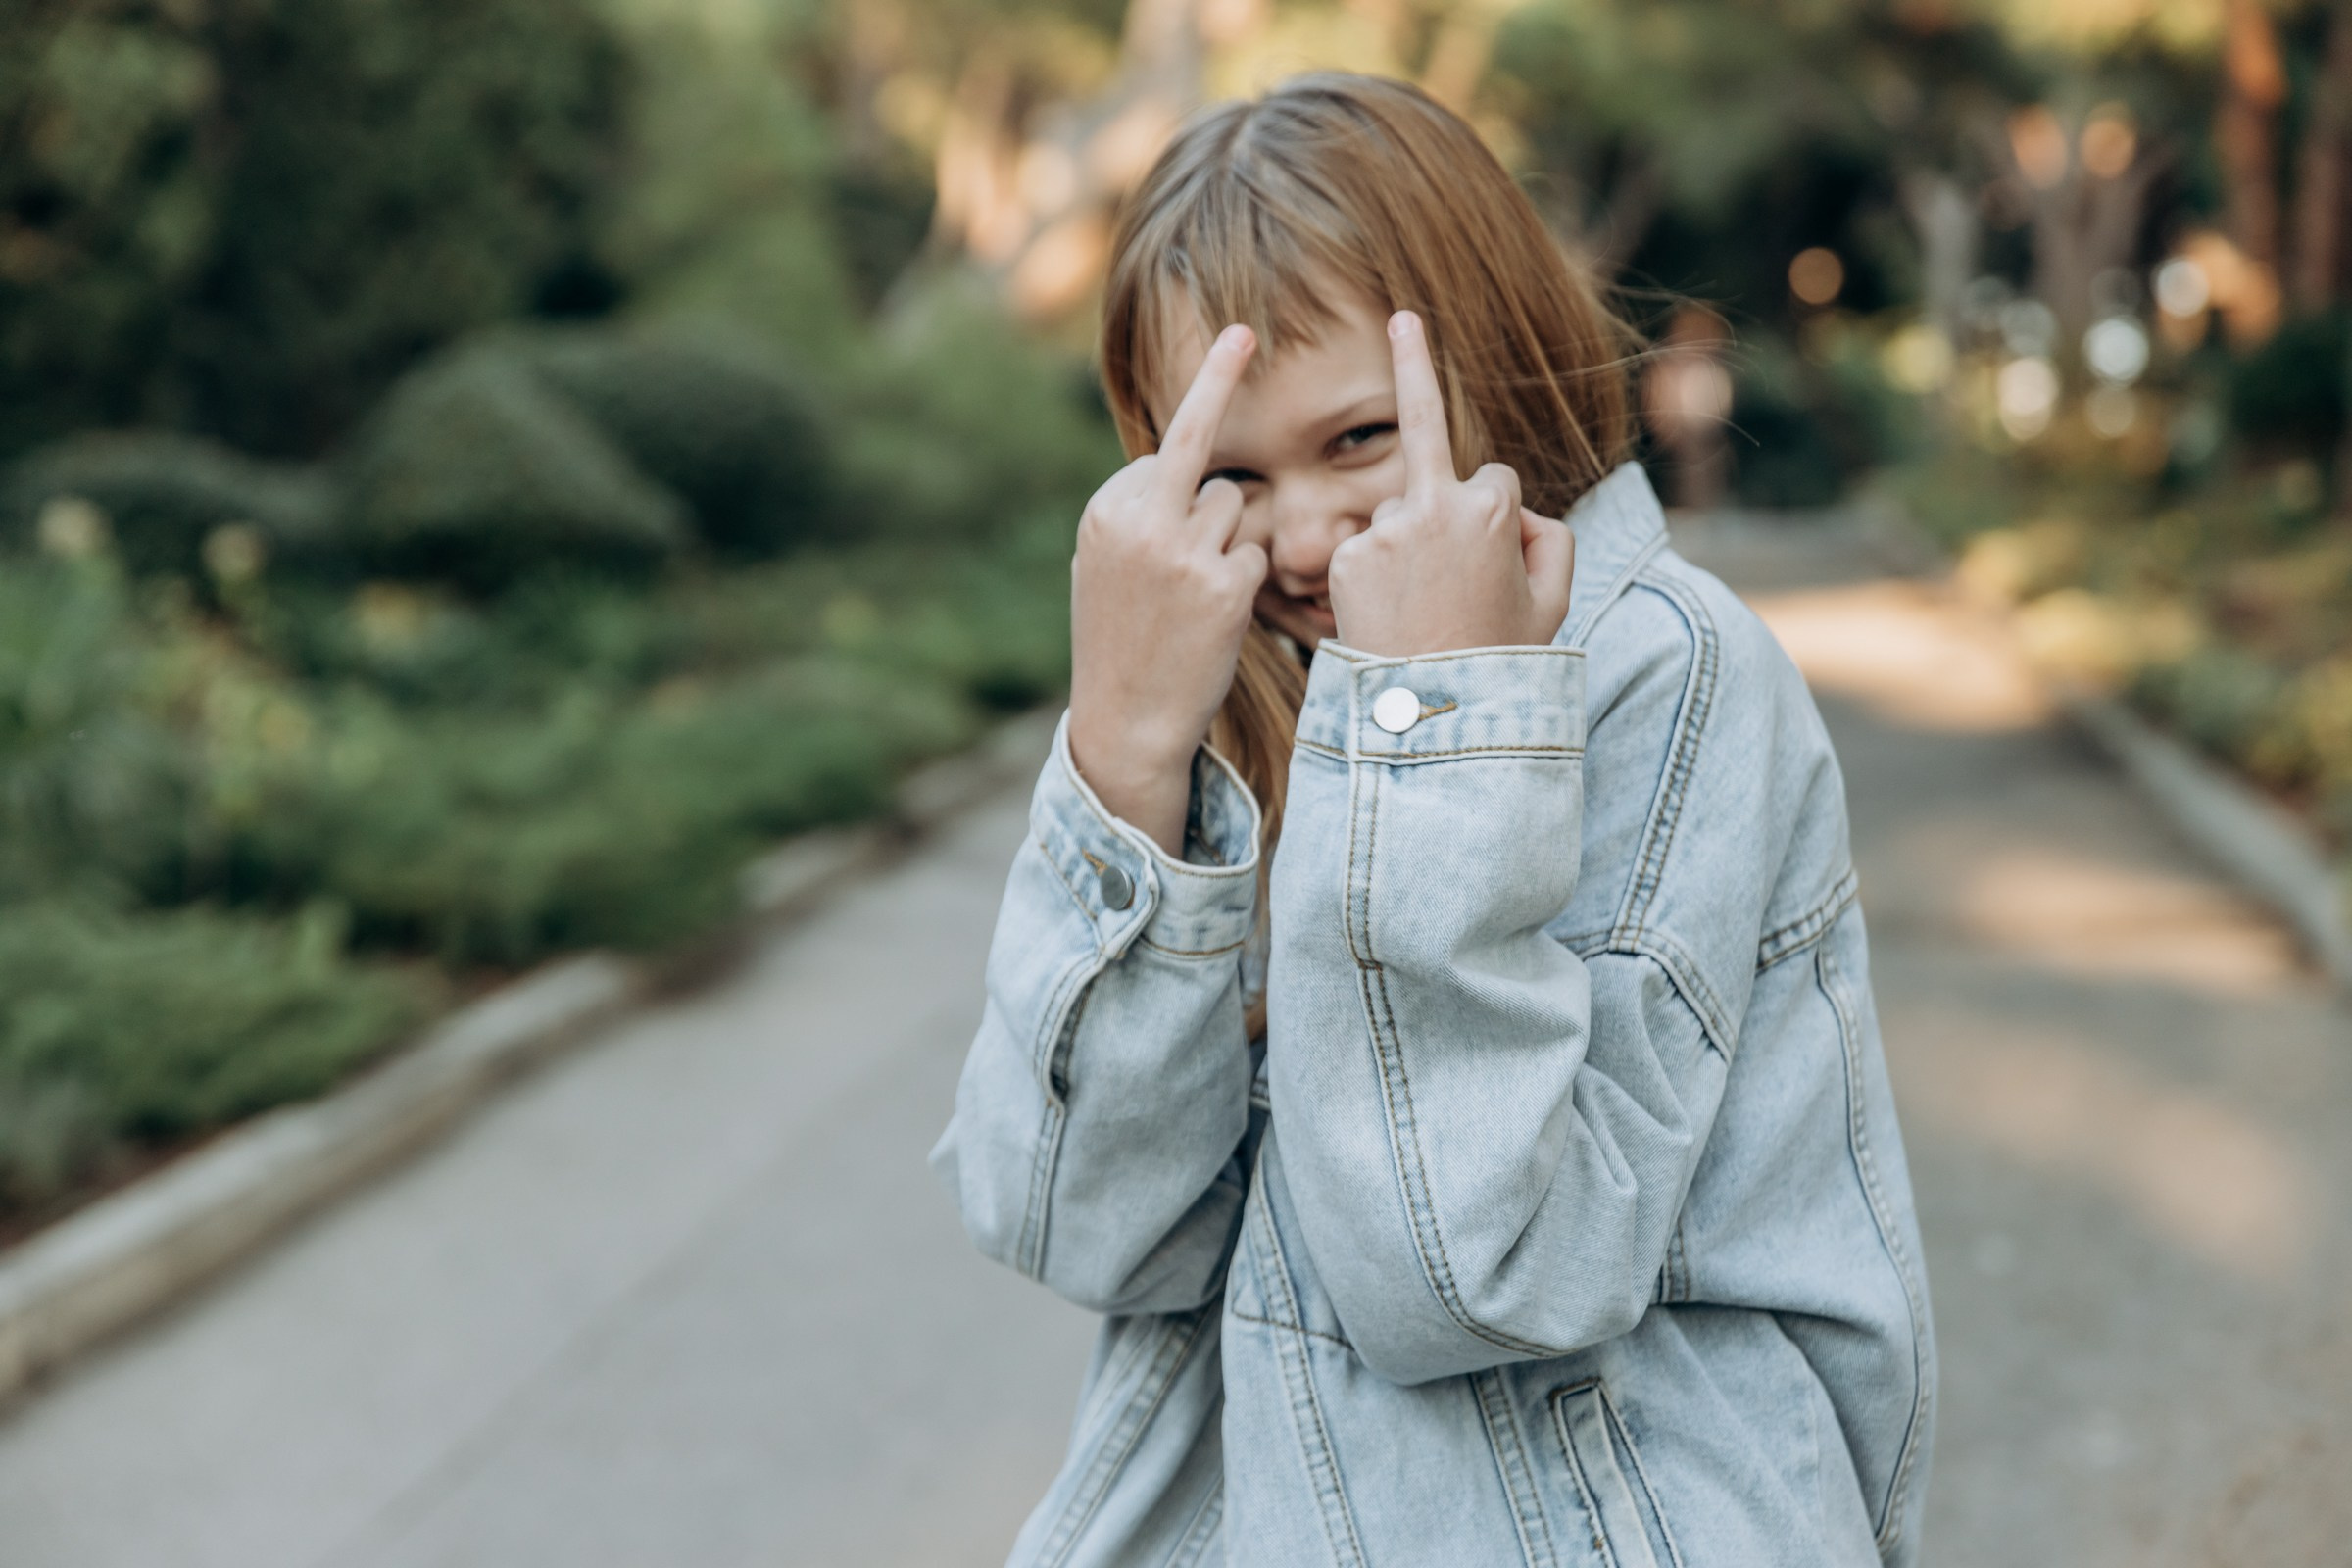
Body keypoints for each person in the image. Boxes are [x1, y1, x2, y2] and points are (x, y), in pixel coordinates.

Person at [930, 72, 1935, 1568]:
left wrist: (1435, 720)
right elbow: (1082, 1230)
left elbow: (1463, 1274)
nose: (1301, 534)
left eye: (1356, 441)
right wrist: (1123, 761)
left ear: (1497, 362)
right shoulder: (1238, 693)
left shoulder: (1661, 664)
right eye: (1229, 473)